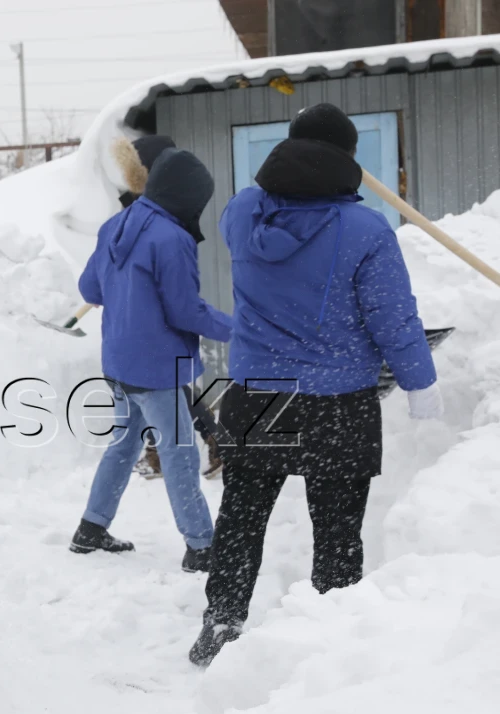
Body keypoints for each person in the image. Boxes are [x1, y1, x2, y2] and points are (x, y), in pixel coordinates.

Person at [189, 104, 443, 666]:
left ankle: (221, 621)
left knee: (243, 516)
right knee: (336, 527)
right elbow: (391, 317)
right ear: (346, 159)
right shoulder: (364, 230)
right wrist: (419, 381)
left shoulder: (241, 212)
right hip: (339, 400)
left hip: (259, 393)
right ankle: (331, 637)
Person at [69, 147, 233, 572]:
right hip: (157, 367)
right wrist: (238, 329)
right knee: (180, 453)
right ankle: (201, 546)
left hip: (119, 363)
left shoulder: (114, 226)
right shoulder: (172, 238)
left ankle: (90, 528)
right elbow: (185, 311)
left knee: (123, 444)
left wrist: (127, 294)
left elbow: (90, 289)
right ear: (188, 196)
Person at [112, 134, 225, 483]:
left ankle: (163, 451)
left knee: (143, 380)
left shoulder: (149, 205)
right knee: (161, 381)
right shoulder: (163, 201)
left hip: (147, 307)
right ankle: (208, 439)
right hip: (152, 303)